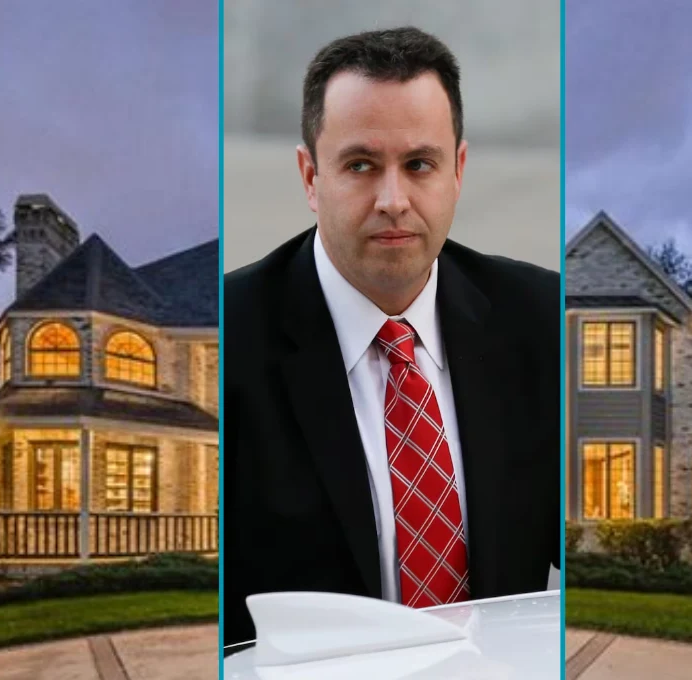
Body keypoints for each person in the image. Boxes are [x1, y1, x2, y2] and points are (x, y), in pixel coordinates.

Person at [221, 26, 561, 647]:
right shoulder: (230, 336)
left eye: (419, 164)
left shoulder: (542, 319)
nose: (393, 199)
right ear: (309, 176)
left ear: (457, 170)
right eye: (360, 165)